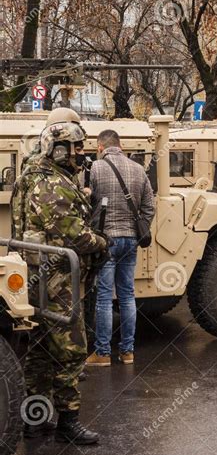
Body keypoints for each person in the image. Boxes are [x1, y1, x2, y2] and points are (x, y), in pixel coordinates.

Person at [11, 110, 107, 444]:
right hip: (53, 280)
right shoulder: (50, 182)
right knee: (71, 349)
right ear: (56, 148)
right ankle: (69, 422)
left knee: (39, 349)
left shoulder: (34, 173)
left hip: (36, 275)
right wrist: (102, 243)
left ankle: (35, 418)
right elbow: (75, 234)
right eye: (74, 147)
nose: (80, 152)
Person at [86, 130, 155, 367]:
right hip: (130, 240)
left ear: (100, 147)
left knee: (104, 297)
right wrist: (138, 231)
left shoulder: (94, 169)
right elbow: (149, 206)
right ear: (120, 145)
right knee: (127, 295)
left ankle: (103, 353)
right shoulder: (138, 170)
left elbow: (84, 203)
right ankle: (128, 352)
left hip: (105, 240)